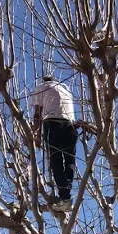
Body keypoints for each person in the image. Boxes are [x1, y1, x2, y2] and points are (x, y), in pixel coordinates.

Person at [31, 74, 78, 213]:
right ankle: (66, 194)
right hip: (70, 125)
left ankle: (65, 198)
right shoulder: (65, 89)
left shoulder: (42, 88)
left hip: (53, 124)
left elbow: (37, 113)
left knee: (55, 160)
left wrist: (37, 135)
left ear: (45, 81)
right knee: (69, 160)